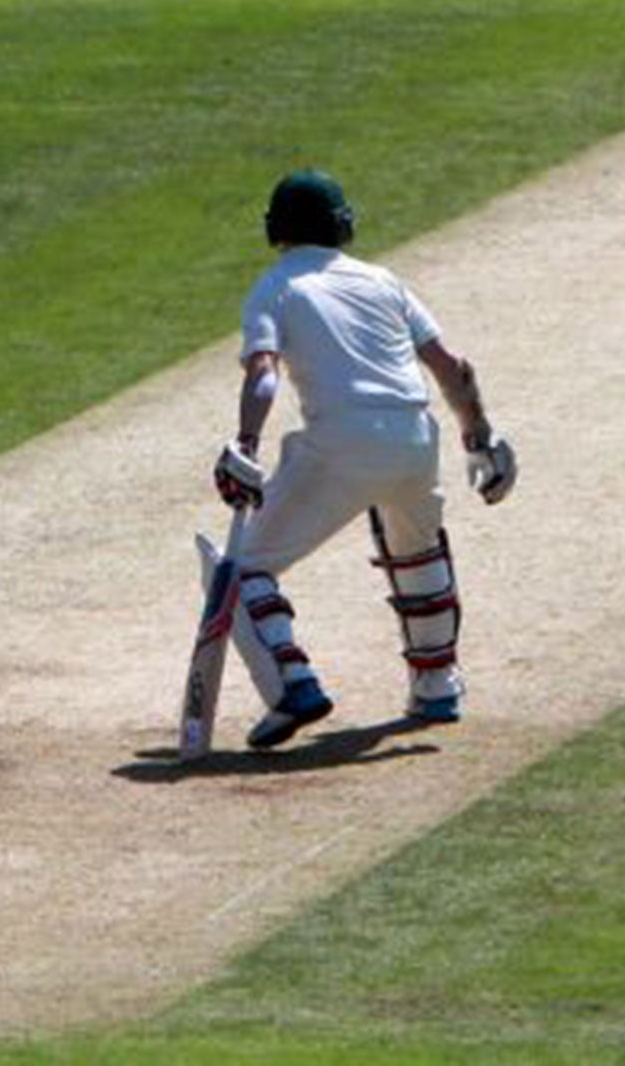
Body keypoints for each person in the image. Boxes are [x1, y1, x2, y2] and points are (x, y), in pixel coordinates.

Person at [208, 171, 518, 750]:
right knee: (418, 553)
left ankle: (293, 684)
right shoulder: (382, 281)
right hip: (414, 437)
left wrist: (244, 446)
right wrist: (479, 437)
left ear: (275, 229)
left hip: (341, 442)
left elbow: (265, 375)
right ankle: (436, 687)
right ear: (341, 224)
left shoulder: (275, 286)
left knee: (245, 568)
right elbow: (451, 368)